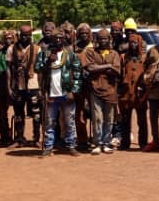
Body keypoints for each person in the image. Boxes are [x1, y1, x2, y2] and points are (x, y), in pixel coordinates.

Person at [35, 26, 83, 157]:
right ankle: (48, 147)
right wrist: (47, 61)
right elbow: (37, 68)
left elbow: (78, 73)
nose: (58, 40)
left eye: (60, 38)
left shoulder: (70, 54)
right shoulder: (44, 53)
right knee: (49, 122)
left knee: (69, 122)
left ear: (63, 39)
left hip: (66, 93)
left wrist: (73, 91)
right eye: (55, 38)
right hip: (50, 94)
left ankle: (71, 146)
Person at [82, 29, 121, 155]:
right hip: (95, 89)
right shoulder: (90, 52)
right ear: (96, 40)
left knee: (109, 118)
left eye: (105, 38)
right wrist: (108, 66)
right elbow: (90, 68)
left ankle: (106, 142)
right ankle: (97, 143)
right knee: (97, 117)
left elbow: (117, 70)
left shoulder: (114, 53)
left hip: (110, 90)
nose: (103, 41)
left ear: (109, 39)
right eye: (100, 38)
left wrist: (99, 68)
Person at [8, 25, 41, 147]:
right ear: (19, 35)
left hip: (33, 83)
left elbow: (40, 69)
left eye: (27, 35)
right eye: (23, 35)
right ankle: (19, 138)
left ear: (31, 36)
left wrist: (41, 87)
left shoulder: (37, 49)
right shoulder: (12, 49)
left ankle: (36, 138)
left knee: (36, 113)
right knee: (18, 112)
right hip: (18, 84)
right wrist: (9, 86)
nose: (25, 37)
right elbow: (8, 69)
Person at [118, 29, 147, 151]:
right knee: (125, 120)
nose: (133, 45)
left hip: (140, 94)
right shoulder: (124, 58)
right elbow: (120, 74)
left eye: (135, 42)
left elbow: (148, 74)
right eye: (131, 43)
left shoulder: (144, 58)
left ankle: (143, 143)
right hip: (126, 93)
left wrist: (143, 86)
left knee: (142, 120)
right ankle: (125, 143)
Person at [73, 23, 95, 151]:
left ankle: (96, 140)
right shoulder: (74, 48)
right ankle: (82, 140)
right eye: (82, 33)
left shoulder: (95, 47)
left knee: (95, 113)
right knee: (79, 114)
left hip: (93, 85)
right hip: (78, 85)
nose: (84, 35)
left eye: (86, 33)